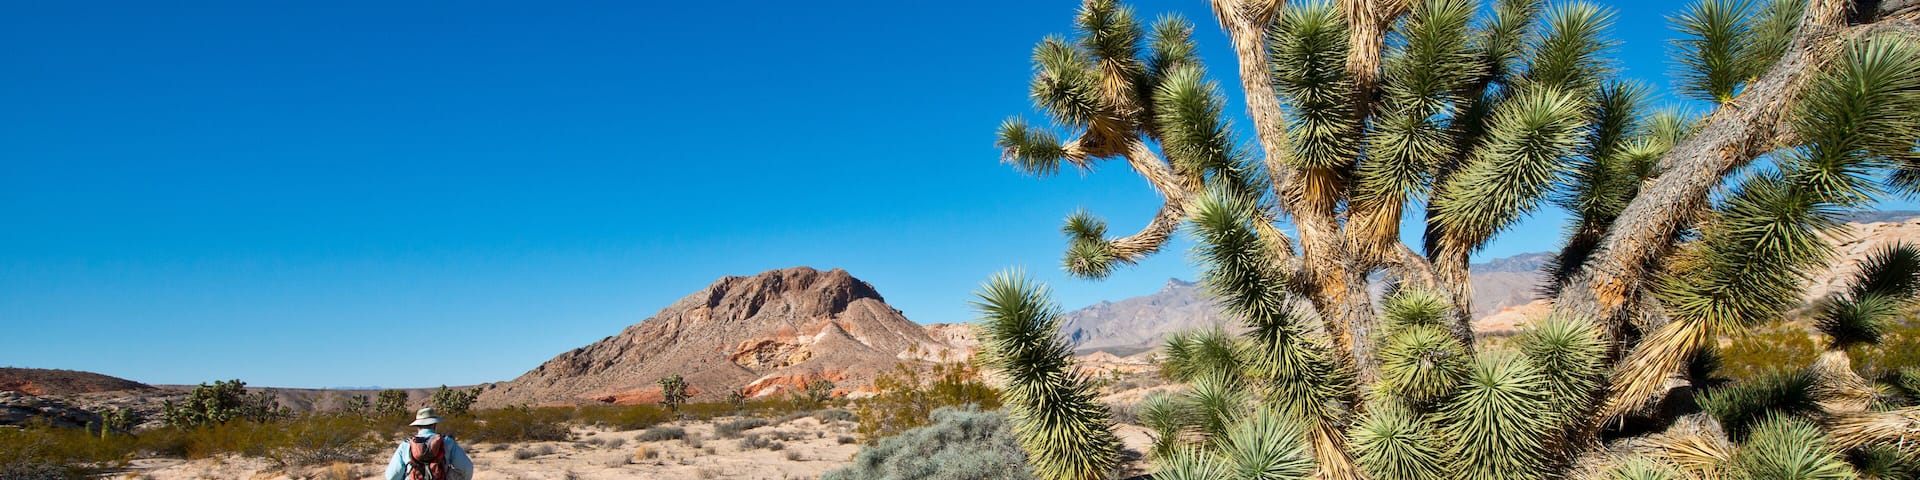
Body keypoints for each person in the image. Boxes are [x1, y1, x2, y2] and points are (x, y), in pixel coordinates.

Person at [384, 407, 474, 480]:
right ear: (435, 424)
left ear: (417, 426)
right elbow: (466, 468)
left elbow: (392, 476)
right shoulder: (447, 442)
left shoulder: (406, 445)